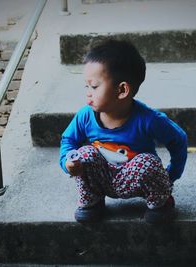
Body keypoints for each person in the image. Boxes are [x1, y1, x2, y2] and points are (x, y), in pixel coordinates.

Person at [59, 39, 187, 224]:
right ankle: (92, 201)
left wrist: (171, 174)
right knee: (83, 154)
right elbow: (68, 140)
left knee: (147, 162)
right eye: (86, 86)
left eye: (94, 86)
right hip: (102, 179)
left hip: (136, 179)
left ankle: (161, 202)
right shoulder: (85, 116)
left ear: (122, 90)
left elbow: (178, 139)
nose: (88, 92)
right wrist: (67, 162)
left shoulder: (149, 119)